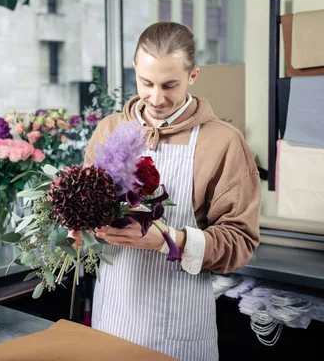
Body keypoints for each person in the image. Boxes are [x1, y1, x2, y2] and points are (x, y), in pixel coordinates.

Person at [75, 22, 261, 360]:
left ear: (193, 76)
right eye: (147, 83)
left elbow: (241, 243)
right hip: (113, 319)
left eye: (169, 85)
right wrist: (78, 228)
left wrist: (167, 239)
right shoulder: (110, 129)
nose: (157, 98)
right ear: (135, 70)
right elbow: (87, 214)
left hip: (180, 331)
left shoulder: (223, 142)